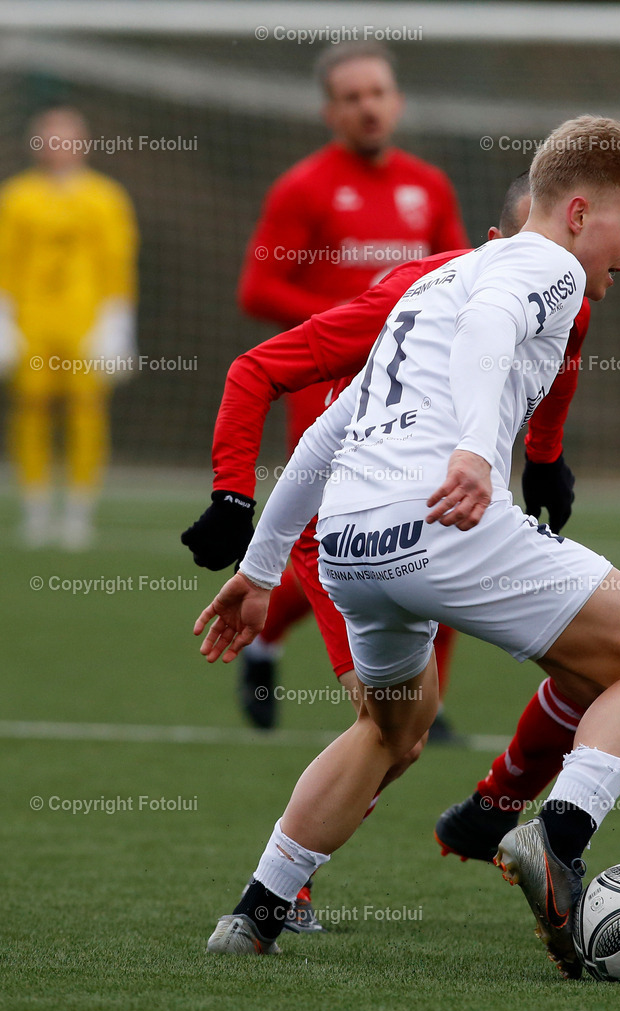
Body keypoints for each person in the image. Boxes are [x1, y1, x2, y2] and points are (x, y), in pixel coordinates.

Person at [196, 116, 620, 979]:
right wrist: (474, 449)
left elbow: (326, 435)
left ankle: (255, 912)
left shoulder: (434, 282)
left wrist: (258, 571)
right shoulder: (547, 267)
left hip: (352, 547)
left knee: (391, 730)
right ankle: (556, 835)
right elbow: (492, 330)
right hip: (446, 525)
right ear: (579, 213)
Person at [182, 171, 586, 931]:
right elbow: (257, 369)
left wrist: (546, 456)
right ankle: (280, 893)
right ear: (498, 245)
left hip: (435, 514)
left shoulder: (564, 295)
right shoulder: (428, 292)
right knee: (390, 733)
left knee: (405, 731)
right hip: (346, 513)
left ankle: (289, 890)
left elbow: (563, 361)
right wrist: (234, 499)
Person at [235, 40, 469, 730]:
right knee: (338, 548)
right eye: (352, 97)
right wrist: (352, 321)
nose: (368, 107)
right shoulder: (303, 189)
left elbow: (462, 271)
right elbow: (258, 287)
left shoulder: (428, 187)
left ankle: (427, 707)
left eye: (377, 93)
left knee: (436, 531)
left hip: (411, 391)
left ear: (397, 101)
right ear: (330, 112)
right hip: (329, 392)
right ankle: (267, 637)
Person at [0, 106, 137, 549]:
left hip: (86, 319)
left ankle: (79, 511)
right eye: (48, 139)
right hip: (31, 319)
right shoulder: (17, 197)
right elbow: (6, 259)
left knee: (86, 410)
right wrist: (3, 316)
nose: (57, 148)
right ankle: (36, 508)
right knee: (30, 408)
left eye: (66, 139)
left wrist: (117, 321)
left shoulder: (105, 197)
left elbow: (117, 262)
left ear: (83, 144)